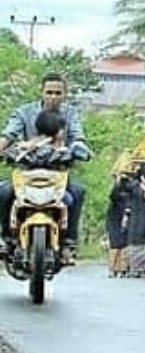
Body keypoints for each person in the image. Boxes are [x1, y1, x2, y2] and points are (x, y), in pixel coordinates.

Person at [0, 73, 90, 257]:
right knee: (4, 192)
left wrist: (79, 149)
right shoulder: (24, 112)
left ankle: (68, 242)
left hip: (57, 174)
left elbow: (78, 137)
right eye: (49, 92)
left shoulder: (71, 114)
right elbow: (8, 136)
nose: (53, 97)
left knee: (77, 192)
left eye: (58, 93)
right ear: (41, 92)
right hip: (26, 173)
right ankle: (5, 237)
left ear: (65, 94)